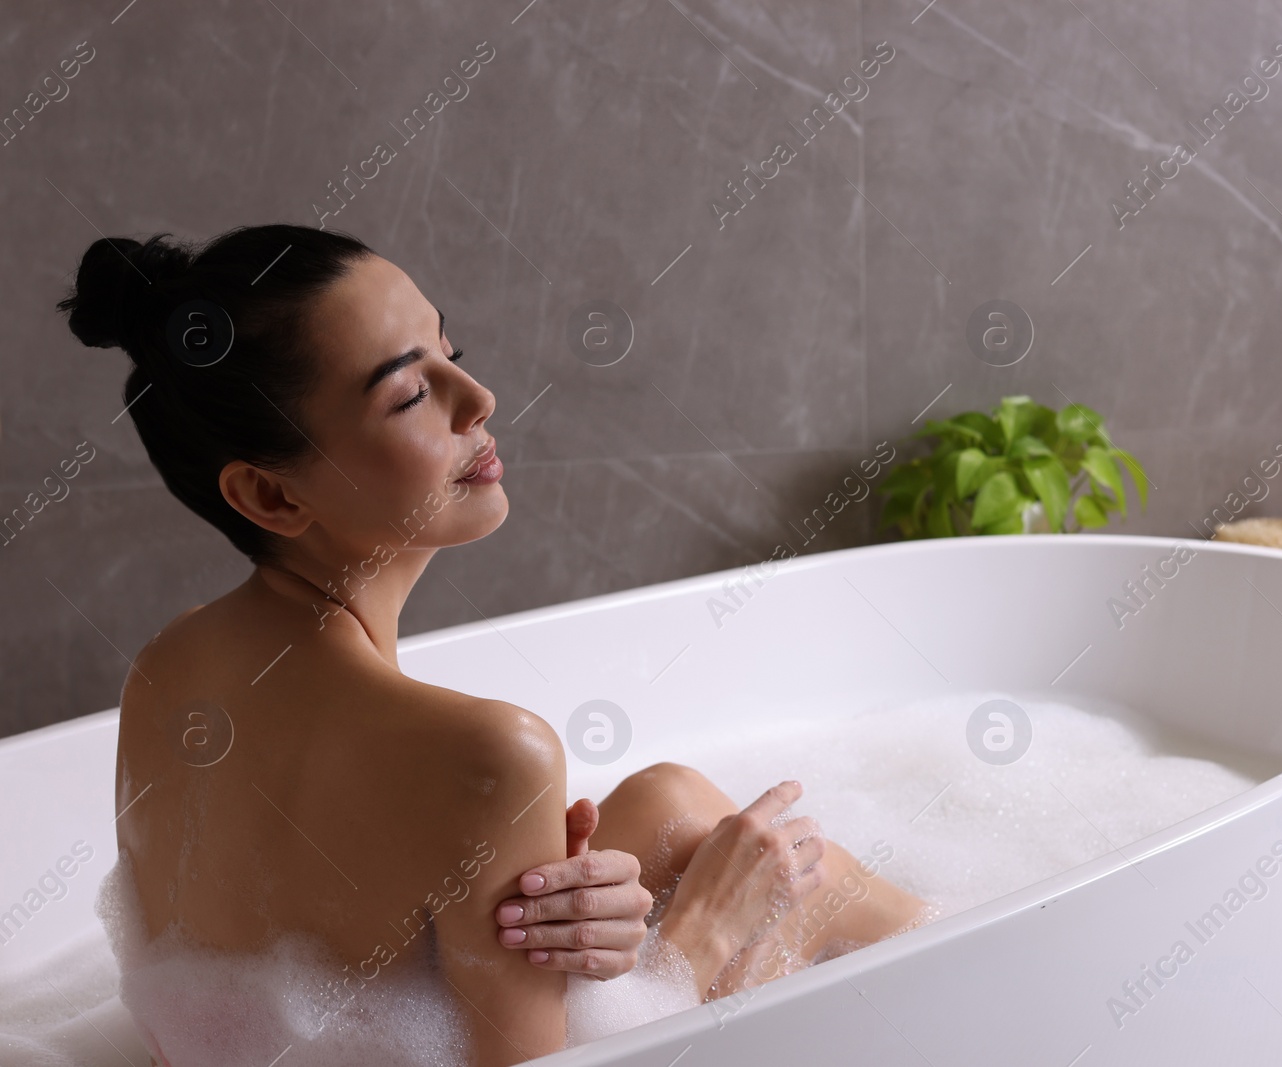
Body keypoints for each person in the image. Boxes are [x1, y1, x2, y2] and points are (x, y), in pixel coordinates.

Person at [57, 224, 932, 1067]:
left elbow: (296, 927)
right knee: (788, 878)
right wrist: (696, 942)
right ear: (271, 497)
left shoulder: (171, 664)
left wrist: (576, 916)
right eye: (409, 394)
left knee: (671, 802)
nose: (478, 402)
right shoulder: (487, 753)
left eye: (454, 354)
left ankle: (953, 932)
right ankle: (973, 951)